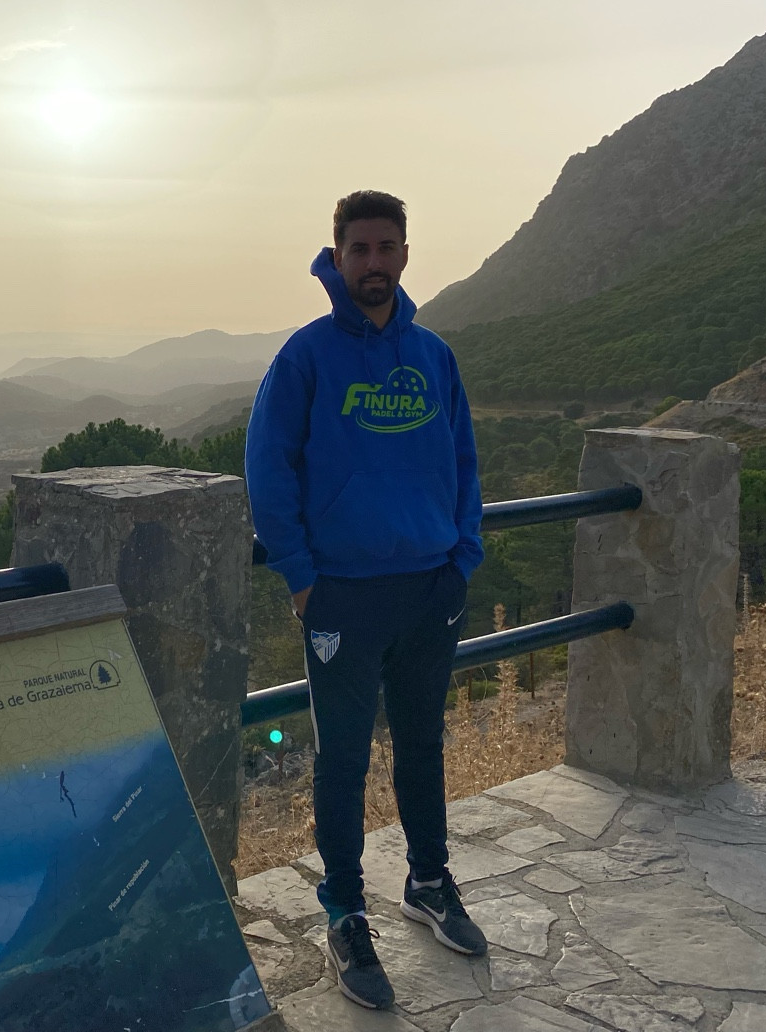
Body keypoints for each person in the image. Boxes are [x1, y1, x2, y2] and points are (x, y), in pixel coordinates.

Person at [244, 189, 488, 1010]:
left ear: (404, 255)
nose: (374, 263)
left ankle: (428, 881)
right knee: (342, 761)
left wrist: (462, 559)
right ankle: (346, 914)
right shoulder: (306, 356)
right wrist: (302, 579)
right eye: (360, 250)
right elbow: (267, 468)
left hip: (430, 592)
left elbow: (464, 460)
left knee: (422, 745)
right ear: (338, 257)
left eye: (387, 248)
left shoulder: (434, 355)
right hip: (343, 598)